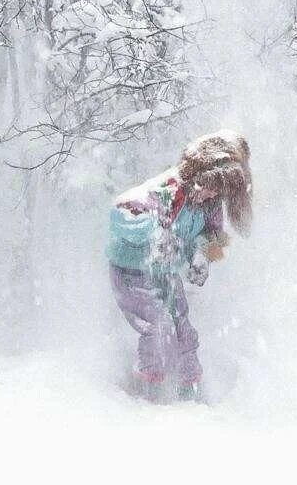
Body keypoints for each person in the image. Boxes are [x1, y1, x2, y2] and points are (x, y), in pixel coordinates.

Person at [106, 131, 252, 402]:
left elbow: (213, 235)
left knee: (183, 330)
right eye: (208, 186)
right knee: (159, 327)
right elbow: (121, 213)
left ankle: (189, 391)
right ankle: (148, 391)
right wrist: (155, 234)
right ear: (197, 175)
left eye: (217, 191)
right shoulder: (167, 190)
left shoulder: (209, 205)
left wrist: (201, 256)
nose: (210, 194)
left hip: (166, 273)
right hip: (132, 272)